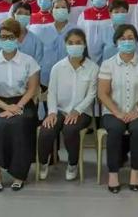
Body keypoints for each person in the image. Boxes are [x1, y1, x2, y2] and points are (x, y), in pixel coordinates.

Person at [0, 18, 40, 192]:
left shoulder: (29, 61)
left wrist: (17, 107)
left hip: (23, 103)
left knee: (19, 125)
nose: (7, 40)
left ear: (18, 38)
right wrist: (6, 107)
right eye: (3, 37)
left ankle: (19, 175)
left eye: (11, 37)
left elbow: (32, 89)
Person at [98, 24, 138, 193]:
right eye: (123, 38)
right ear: (116, 42)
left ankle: (135, 172)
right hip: (113, 112)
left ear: (137, 41)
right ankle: (113, 174)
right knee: (115, 130)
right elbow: (102, 93)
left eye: (131, 38)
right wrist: (117, 112)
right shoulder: (108, 64)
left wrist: (137, 111)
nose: (127, 41)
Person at [38, 28, 99, 181]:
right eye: (71, 43)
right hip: (58, 109)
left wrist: (77, 111)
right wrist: (51, 112)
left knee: (70, 129)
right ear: (66, 45)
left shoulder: (93, 68)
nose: (74, 46)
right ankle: (43, 162)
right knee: (46, 130)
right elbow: (51, 92)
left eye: (78, 43)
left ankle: (73, 164)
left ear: (84, 45)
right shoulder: (58, 67)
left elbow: (91, 94)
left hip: (82, 112)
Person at [29, 0, 76, 89]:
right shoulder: (42, 31)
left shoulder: (76, 30)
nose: (60, 10)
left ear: (68, 10)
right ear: (51, 11)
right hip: (45, 77)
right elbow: (37, 55)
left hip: (69, 76)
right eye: (57, 7)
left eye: (63, 7)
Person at [76, 0, 112, 64]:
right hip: (88, 54)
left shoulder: (112, 14)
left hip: (108, 55)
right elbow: (79, 34)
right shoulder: (84, 14)